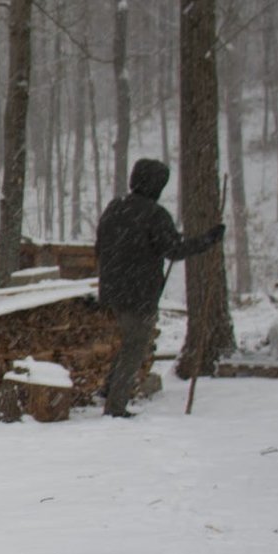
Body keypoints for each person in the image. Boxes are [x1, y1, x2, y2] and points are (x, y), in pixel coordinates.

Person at [95, 158, 224, 417]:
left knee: (129, 342)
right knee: (134, 347)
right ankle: (115, 406)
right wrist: (207, 240)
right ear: (156, 185)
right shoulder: (155, 215)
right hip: (139, 294)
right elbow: (173, 250)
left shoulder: (114, 208)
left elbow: (101, 245)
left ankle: (109, 390)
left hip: (112, 290)